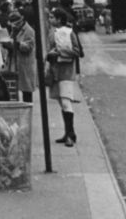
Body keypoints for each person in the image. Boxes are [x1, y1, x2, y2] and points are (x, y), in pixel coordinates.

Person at [47, 8, 83, 148]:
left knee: (66, 102)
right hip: (55, 71)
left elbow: (77, 51)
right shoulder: (52, 33)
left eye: (52, 17)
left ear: (59, 19)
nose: (50, 20)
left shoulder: (69, 32)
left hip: (66, 72)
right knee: (61, 103)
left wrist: (60, 51)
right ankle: (68, 132)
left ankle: (70, 135)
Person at [1, 11, 36, 103]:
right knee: (13, 88)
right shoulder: (15, 29)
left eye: (16, 23)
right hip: (14, 62)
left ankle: (27, 111)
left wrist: (16, 44)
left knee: (26, 90)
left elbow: (28, 47)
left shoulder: (29, 30)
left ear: (21, 20)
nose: (14, 26)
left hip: (24, 63)